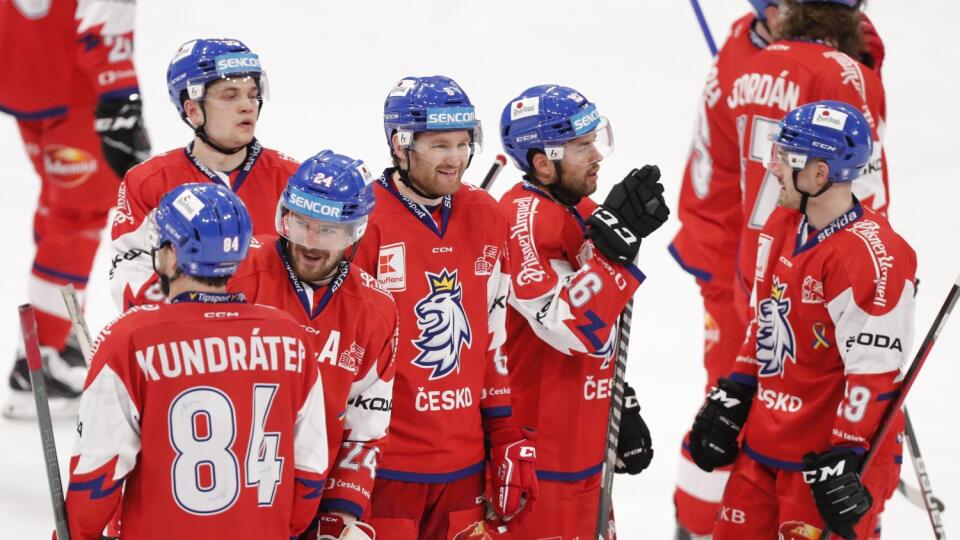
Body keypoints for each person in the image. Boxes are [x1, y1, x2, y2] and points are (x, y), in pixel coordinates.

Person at [670, 1, 889, 535]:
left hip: (745, 263)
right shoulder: (841, 70)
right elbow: (866, 200)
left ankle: (707, 522)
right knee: (794, 418)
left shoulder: (739, 57)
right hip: (784, 275)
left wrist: (734, 278)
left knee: (741, 410)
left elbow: (716, 179)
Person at [688, 100, 914, 539]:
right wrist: (736, 389)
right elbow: (765, 319)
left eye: (786, 158)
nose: (773, 168)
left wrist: (847, 456)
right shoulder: (781, 224)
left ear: (819, 173)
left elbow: (874, 373)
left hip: (828, 464)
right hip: (766, 444)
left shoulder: (870, 258)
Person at [64, 183, 329, 539]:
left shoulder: (130, 339)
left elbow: (98, 474)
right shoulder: (290, 337)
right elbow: (310, 470)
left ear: (172, 255)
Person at [351, 75, 537, 538]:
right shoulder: (362, 220)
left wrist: (505, 434)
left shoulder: (486, 214)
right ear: (400, 144)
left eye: (462, 143)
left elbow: (492, 339)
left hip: (464, 468)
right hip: (384, 469)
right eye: (439, 145)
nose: (455, 159)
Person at [495, 84, 668, 538]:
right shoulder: (520, 219)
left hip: (584, 450)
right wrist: (613, 256)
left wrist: (619, 403)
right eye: (581, 146)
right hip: (537, 460)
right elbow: (568, 327)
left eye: (596, 140)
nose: (597, 155)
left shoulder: (583, 209)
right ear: (541, 161)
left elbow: (605, 319)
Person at [228, 150, 398, 540]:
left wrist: (341, 512)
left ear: (354, 232)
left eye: (329, 230)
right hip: (224, 493)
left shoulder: (376, 309)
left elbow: (365, 427)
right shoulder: (234, 274)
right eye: (301, 224)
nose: (311, 241)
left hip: (306, 506)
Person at [1, 0, 151, 419]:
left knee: (58, 202)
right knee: (75, 215)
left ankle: (58, 336)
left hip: (24, 71)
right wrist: (120, 97)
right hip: (75, 82)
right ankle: (40, 364)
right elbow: (103, 16)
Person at [110, 37, 298, 311]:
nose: (248, 105)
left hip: (268, 347)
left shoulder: (291, 179)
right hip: (189, 347)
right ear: (193, 110)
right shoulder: (148, 182)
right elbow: (130, 273)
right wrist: (200, 321)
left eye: (252, 93)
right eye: (230, 95)